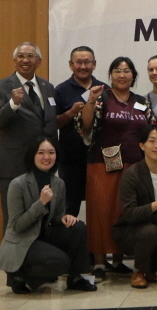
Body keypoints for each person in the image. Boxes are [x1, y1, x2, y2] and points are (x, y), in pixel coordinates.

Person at [76, 56, 157, 281]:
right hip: (102, 164)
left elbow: (152, 128)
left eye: (127, 70)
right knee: (101, 211)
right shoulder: (100, 96)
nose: (122, 75)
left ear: (134, 76)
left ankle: (119, 261)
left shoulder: (141, 101)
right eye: (117, 71)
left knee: (124, 211)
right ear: (110, 75)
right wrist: (90, 102)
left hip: (134, 165)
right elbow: (84, 126)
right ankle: (100, 263)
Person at [0, 137, 96, 294]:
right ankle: (19, 275)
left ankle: (76, 278)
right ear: (32, 155)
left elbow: (57, 216)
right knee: (60, 262)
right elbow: (17, 226)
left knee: (78, 227)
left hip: (43, 235)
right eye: (41, 152)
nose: (46, 157)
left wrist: (64, 218)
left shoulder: (58, 183)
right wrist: (41, 203)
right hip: (23, 240)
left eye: (51, 152)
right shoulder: (18, 184)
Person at [0, 42, 58, 231]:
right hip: (13, 165)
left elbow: (48, 122)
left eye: (30, 56)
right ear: (15, 61)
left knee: (42, 217)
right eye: (20, 56)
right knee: (14, 220)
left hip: (43, 165)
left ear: (39, 61)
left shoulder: (48, 87)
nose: (25, 60)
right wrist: (12, 104)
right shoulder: (1, 87)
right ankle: (12, 253)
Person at [112, 124, 157, 289]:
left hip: (156, 228)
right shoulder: (131, 174)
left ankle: (151, 268)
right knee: (150, 231)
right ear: (142, 145)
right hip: (129, 230)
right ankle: (138, 272)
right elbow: (130, 213)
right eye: (152, 141)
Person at [54, 46, 109, 216]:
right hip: (70, 160)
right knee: (69, 209)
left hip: (99, 159)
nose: (83, 66)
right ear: (70, 65)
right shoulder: (60, 90)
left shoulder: (105, 89)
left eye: (87, 62)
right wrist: (70, 113)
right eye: (78, 62)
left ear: (94, 64)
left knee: (101, 208)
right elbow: (53, 124)